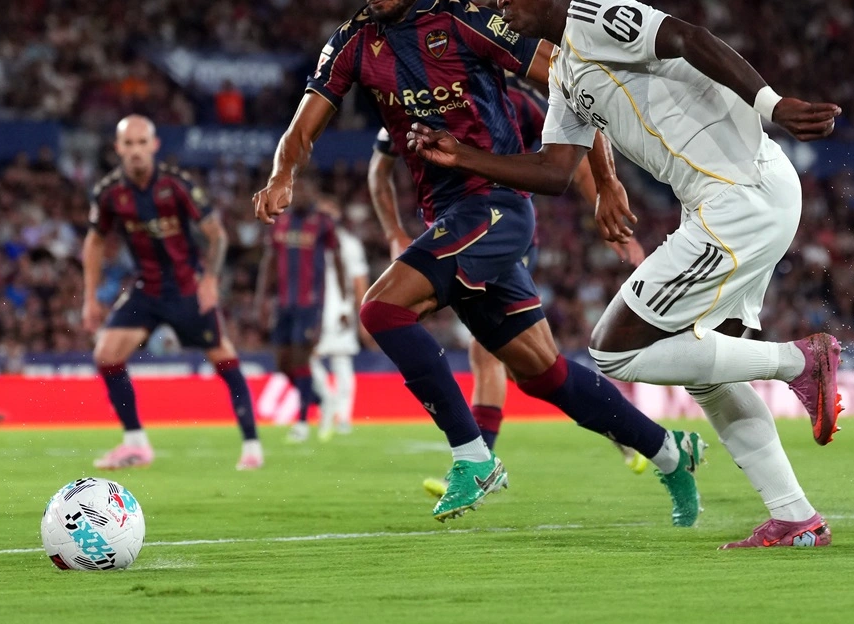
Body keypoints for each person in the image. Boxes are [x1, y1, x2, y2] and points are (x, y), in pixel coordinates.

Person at [407, 0, 844, 548]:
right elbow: (557, 171)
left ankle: (799, 359)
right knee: (707, 369)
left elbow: (690, 38)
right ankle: (795, 515)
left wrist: (772, 104)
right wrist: (463, 155)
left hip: (739, 195)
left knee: (614, 347)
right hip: (738, 200)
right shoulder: (565, 69)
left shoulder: (593, 13)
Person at [254, 0, 705, 524]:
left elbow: (572, 80)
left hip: (495, 206)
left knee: (382, 309)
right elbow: (305, 123)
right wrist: (283, 173)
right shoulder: (356, 41)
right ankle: (670, 451)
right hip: (449, 216)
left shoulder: (467, 23)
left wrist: (605, 181)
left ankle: (473, 456)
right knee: (543, 376)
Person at [368, 79, 650, 500]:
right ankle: (638, 437)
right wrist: (392, 231)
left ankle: (478, 460)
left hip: (503, 231)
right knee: (537, 370)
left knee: (488, 352)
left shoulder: (514, 99)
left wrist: (602, 209)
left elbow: (575, 146)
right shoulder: (412, 100)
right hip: (453, 229)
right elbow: (379, 169)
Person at [83, 115, 263, 471]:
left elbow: (217, 234)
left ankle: (252, 444)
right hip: (146, 289)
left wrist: (210, 279)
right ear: (118, 148)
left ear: (154, 145)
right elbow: (94, 241)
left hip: (186, 289)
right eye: (128, 144)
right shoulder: (109, 194)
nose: (135, 151)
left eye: (141, 142)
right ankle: (136, 444)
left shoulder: (176, 185)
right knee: (106, 353)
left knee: (223, 357)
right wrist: (89, 296)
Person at [255, 177, 346, 443]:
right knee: (283, 364)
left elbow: (337, 258)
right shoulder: (279, 222)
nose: (303, 195)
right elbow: (269, 261)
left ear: (315, 195)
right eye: (299, 191)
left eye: (308, 190)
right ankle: (320, 399)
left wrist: (341, 300)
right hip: (283, 303)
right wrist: (262, 298)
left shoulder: (322, 224)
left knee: (300, 359)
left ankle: (303, 421)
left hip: (310, 303)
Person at [310, 195, 370, 440]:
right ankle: (329, 399)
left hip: (340, 311)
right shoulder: (310, 242)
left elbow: (359, 282)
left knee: (342, 363)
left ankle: (344, 417)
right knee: (307, 359)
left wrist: (360, 313)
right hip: (313, 310)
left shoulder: (350, 244)